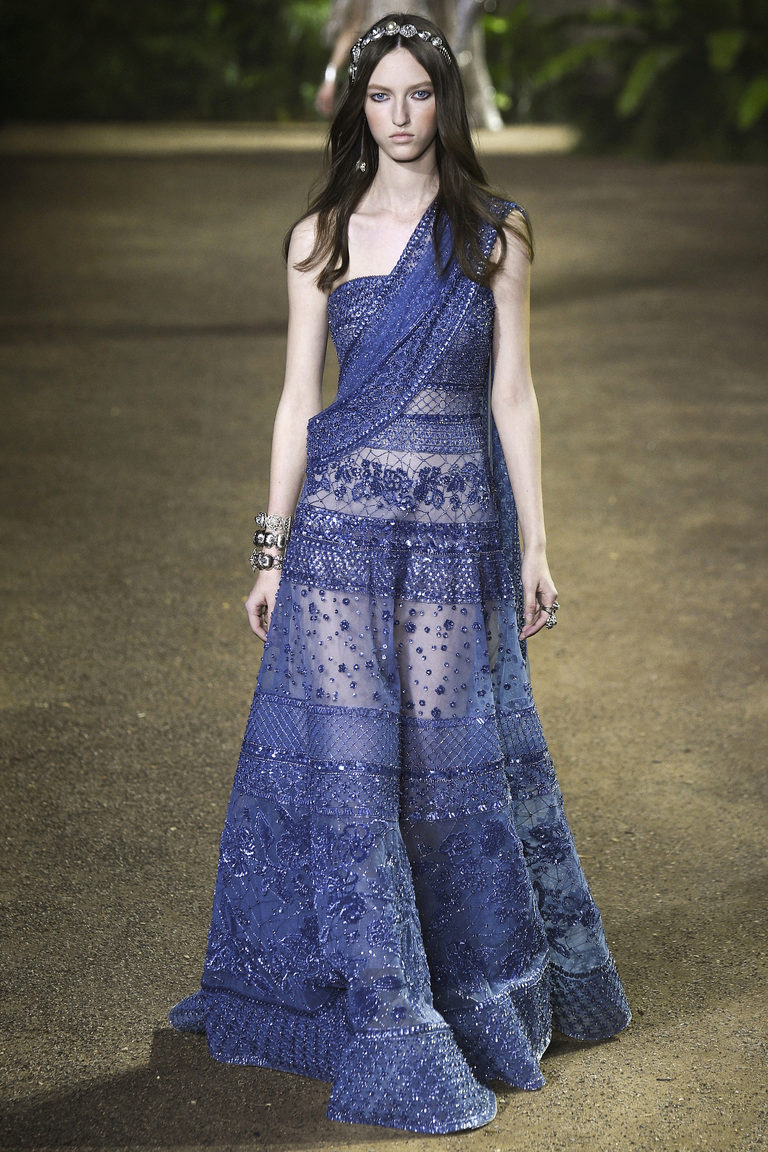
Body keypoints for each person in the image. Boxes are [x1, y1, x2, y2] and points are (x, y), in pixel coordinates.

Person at [169, 11, 630, 1135]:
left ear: (446, 101)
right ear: (355, 105)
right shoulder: (318, 238)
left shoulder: (496, 234)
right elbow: (296, 401)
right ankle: (385, 1011)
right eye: (381, 95)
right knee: (353, 771)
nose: (400, 114)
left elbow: (513, 395)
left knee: (447, 764)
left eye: (419, 93)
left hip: (454, 537)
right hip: (338, 539)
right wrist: (270, 550)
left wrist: (535, 543)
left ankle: (470, 989)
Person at [316, 0, 502, 130]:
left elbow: (447, 25)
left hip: (421, 61)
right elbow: (351, 26)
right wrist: (330, 76)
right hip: (375, 66)